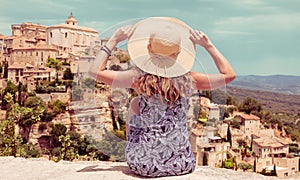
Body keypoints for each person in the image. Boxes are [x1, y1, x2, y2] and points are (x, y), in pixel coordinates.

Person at [89, 17, 235, 177]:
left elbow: (95, 72)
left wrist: (114, 40)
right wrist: (208, 45)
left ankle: (138, 149)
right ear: (179, 51)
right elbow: (229, 74)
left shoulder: (138, 79)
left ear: (149, 47)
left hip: (143, 165)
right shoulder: (190, 80)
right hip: (182, 164)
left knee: (135, 103)